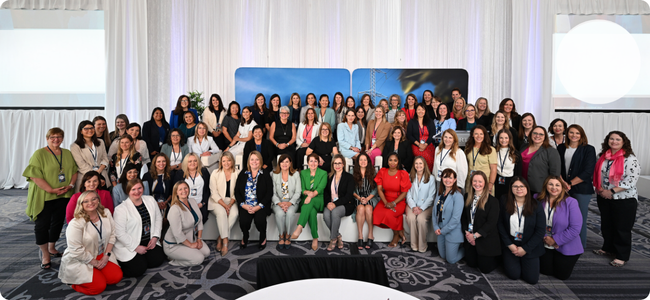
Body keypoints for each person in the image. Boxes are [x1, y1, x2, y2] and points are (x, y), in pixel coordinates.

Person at [24, 127, 78, 269]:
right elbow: (34, 176)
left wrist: (70, 186)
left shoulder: (66, 153)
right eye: (53, 137)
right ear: (47, 138)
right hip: (45, 195)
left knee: (58, 222)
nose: (56, 139)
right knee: (42, 225)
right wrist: (51, 190)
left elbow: (74, 171)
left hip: (64, 194)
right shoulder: (39, 154)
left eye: (59, 137)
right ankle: (45, 254)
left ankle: (52, 247)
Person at [58, 191, 123, 295]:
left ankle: (97, 275)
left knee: (115, 278)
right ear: (81, 204)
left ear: (98, 200)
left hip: (101, 253)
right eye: (86, 201)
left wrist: (107, 255)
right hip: (82, 258)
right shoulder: (76, 223)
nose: (91, 202)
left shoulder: (105, 213)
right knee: (98, 287)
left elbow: (112, 235)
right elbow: (76, 250)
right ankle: (72, 282)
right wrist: (95, 263)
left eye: (94, 199)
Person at [592, 131, 640, 267]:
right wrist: (601, 189)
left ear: (624, 142)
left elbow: (631, 180)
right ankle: (608, 248)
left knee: (621, 227)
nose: (614, 141)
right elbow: (596, 173)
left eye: (618, 139)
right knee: (607, 224)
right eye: (611, 139)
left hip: (624, 198)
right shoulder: (602, 156)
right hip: (604, 196)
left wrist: (611, 191)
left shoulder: (629, 158)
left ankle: (621, 255)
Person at [112, 178, 165, 277]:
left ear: (143, 188)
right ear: (128, 191)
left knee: (157, 260)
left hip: (149, 241)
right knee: (138, 269)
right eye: (133, 189)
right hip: (130, 244)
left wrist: (155, 237)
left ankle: (142, 258)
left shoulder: (150, 200)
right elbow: (119, 233)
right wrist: (135, 247)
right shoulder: (120, 209)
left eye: (139, 188)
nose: (137, 191)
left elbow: (158, 219)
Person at [497, 177, 545, 284]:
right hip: (511, 244)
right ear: (511, 189)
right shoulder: (504, 201)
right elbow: (500, 224)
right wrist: (509, 244)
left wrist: (525, 249)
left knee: (531, 279)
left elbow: (540, 230)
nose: (519, 189)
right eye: (515, 186)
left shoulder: (536, 205)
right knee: (513, 275)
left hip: (529, 245)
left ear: (527, 188)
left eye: (522, 186)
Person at [557, 124, 596, 249]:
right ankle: (565, 243)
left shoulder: (588, 149)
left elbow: (588, 171)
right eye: (571, 132)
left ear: (581, 135)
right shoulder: (561, 147)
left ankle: (579, 246)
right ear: (567, 134)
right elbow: (557, 167)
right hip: (562, 188)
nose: (574, 135)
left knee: (579, 219)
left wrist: (570, 183)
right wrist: (562, 182)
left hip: (581, 189)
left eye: (577, 133)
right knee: (563, 218)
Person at [538, 176, 583, 279]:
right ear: (546, 186)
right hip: (544, 241)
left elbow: (575, 228)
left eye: (557, 185)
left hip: (566, 243)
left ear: (562, 187)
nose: (554, 187)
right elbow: (533, 222)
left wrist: (555, 240)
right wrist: (545, 238)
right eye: (551, 184)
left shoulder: (571, 202)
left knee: (561, 275)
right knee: (545, 271)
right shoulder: (538, 199)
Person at [461, 171, 500, 273]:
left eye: (480, 181)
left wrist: (475, 236)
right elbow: (464, 217)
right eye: (474, 181)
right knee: (471, 263)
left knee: (485, 269)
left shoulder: (493, 201)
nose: (477, 184)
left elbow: (491, 223)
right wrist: (467, 233)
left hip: (485, 237)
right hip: (470, 236)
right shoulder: (466, 197)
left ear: (485, 183)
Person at [163, 181, 210, 266]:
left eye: (185, 188)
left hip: (190, 238)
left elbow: (199, 222)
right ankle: (173, 260)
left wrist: (199, 239)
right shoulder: (175, 209)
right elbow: (177, 234)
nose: (183, 191)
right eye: (180, 189)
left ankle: (187, 253)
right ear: (176, 193)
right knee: (199, 259)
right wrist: (191, 245)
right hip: (174, 245)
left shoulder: (192, 201)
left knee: (206, 253)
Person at [373, 153, 412, 247]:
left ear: (398, 162)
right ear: (387, 161)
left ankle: (396, 235)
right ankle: (400, 230)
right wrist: (386, 203)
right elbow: (379, 189)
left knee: (389, 214)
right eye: (390, 160)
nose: (392, 162)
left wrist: (394, 203)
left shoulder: (403, 173)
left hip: (399, 200)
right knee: (376, 214)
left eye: (395, 160)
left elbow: (404, 193)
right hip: (385, 199)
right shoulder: (382, 171)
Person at [236, 151, 272, 249]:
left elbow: (269, 193)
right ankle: (245, 235)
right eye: (252, 159)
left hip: (260, 205)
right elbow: (237, 192)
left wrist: (258, 207)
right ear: (249, 161)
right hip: (246, 204)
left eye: (257, 159)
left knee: (259, 220)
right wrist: (243, 205)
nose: (254, 162)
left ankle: (263, 236)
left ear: (260, 161)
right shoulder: (243, 174)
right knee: (243, 221)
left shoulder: (265, 174)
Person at [291, 153, 327, 251]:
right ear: (307, 162)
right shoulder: (303, 173)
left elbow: (320, 189)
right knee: (311, 212)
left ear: (318, 162)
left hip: (318, 199)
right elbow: (302, 189)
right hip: (307, 198)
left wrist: (310, 195)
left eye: (315, 161)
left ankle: (299, 227)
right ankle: (315, 238)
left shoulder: (323, 173)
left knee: (309, 203)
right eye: (311, 161)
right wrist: (308, 193)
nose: (313, 163)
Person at [208, 151, 239, 256]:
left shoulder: (237, 173)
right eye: (224, 160)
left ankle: (220, 237)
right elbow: (214, 193)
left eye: (229, 160)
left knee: (234, 214)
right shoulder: (215, 173)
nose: (226, 163)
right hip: (217, 202)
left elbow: (238, 191)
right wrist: (225, 206)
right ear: (221, 161)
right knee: (222, 213)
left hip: (232, 201)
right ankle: (225, 241)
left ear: (232, 161)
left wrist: (230, 204)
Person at [432, 168, 465, 264]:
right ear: (442, 178)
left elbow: (455, 219)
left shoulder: (458, 196)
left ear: (455, 180)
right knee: (443, 256)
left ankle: (466, 250)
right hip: (440, 230)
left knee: (451, 260)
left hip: (452, 231)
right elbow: (435, 213)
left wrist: (443, 231)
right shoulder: (439, 195)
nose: (447, 180)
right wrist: (436, 227)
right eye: (445, 177)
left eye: (450, 178)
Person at [323, 154, 356, 251]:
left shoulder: (349, 177)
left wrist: (335, 204)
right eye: (335, 163)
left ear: (343, 164)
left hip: (345, 204)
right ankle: (338, 236)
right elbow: (326, 192)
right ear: (333, 164)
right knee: (326, 216)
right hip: (331, 203)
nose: (337, 165)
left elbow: (349, 195)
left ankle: (333, 239)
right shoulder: (329, 176)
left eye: (339, 163)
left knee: (335, 212)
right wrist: (328, 203)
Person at [270, 155, 301, 250]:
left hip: (292, 201)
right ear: (279, 163)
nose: (285, 164)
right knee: (279, 213)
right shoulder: (273, 174)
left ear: (290, 163)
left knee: (290, 213)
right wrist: (279, 203)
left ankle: (288, 235)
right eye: (282, 162)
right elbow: (272, 192)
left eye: (287, 162)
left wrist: (289, 203)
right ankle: (281, 235)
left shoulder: (295, 174)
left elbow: (298, 192)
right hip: (278, 201)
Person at [405, 156, 436, 252]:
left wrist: (421, 208)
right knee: (411, 218)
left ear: (424, 165)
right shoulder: (410, 176)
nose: (418, 165)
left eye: (420, 163)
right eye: (416, 163)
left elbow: (431, 197)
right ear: (414, 165)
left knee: (421, 219)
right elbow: (408, 194)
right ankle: (414, 245)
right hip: (412, 205)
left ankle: (422, 245)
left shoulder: (431, 178)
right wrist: (413, 206)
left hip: (426, 206)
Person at [71, 120, 110, 192]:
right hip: (86, 179)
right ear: (81, 131)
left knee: (103, 200)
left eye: (92, 128)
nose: (90, 130)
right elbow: (81, 164)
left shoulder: (100, 142)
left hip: (102, 175)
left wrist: (99, 171)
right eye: (86, 129)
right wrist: (96, 177)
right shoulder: (75, 146)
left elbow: (105, 158)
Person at [521, 126, 561, 194]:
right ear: (531, 135)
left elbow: (555, 173)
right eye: (535, 133)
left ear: (545, 137)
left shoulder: (551, 151)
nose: (537, 136)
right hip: (521, 186)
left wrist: (551, 188)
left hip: (539, 188)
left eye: (541, 134)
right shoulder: (524, 146)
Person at [172, 153, 211, 224]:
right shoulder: (180, 174)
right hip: (185, 206)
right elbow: (176, 191)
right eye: (190, 161)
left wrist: (203, 203)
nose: (192, 163)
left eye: (195, 161)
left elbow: (208, 190)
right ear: (186, 163)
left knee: (201, 221)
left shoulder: (204, 172)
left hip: (200, 205)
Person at [352, 153, 378, 249]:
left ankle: (370, 235)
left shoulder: (373, 172)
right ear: (358, 162)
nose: (363, 162)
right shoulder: (352, 172)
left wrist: (367, 198)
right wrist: (359, 198)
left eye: (365, 160)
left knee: (368, 208)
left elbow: (376, 189)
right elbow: (351, 189)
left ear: (368, 161)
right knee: (360, 209)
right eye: (361, 160)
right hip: (357, 197)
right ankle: (360, 237)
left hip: (370, 197)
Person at [465, 125, 497, 194]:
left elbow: (494, 170)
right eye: (476, 134)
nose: (478, 136)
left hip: (485, 183)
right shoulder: (468, 148)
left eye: (481, 134)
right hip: (470, 182)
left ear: (484, 135)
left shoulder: (491, 150)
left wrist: (490, 185)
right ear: (472, 135)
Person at [494, 130, 522, 200]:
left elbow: (518, 172)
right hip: (497, 181)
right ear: (498, 139)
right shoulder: (494, 151)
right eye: (501, 138)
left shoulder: (516, 153)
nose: (504, 140)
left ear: (510, 139)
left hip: (511, 182)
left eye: (506, 138)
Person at [407, 103, 436, 170]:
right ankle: (423, 174)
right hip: (416, 144)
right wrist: (419, 144)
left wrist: (426, 144)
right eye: (419, 109)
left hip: (428, 144)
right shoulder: (412, 122)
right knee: (425, 158)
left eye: (422, 110)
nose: (421, 111)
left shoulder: (430, 121)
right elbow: (409, 135)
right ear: (416, 111)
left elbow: (432, 134)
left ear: (425, 111)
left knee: (432, 160)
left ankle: (430, 176)